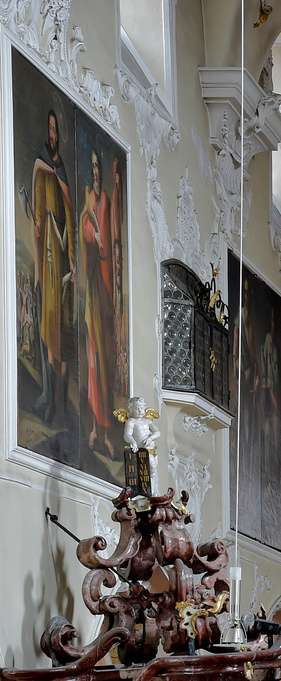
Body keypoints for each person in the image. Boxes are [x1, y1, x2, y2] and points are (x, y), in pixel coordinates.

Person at [31, 108, 75, 423]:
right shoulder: (42, 165)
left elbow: (71, 215)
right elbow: (36, 216)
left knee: (61, 326)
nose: (52, 134)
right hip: (48, 250)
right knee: (49, 324)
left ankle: (59, 402)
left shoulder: (61, 171)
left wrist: (72, 253)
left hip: (61, 254)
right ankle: (52, 401)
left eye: (55, 129)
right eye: (49, 129)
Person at [80, 151, 120, 458]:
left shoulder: (104, 200)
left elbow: (111, 236)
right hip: (92, 288)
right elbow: (87, 232)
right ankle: (95, 426)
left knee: (105, 363)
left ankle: (106, 432)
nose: (95, 170)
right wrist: (92, 233)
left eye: (98, 165)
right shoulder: (89, 201)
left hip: (104, 291)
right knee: (92, 362)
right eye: (92, 165)